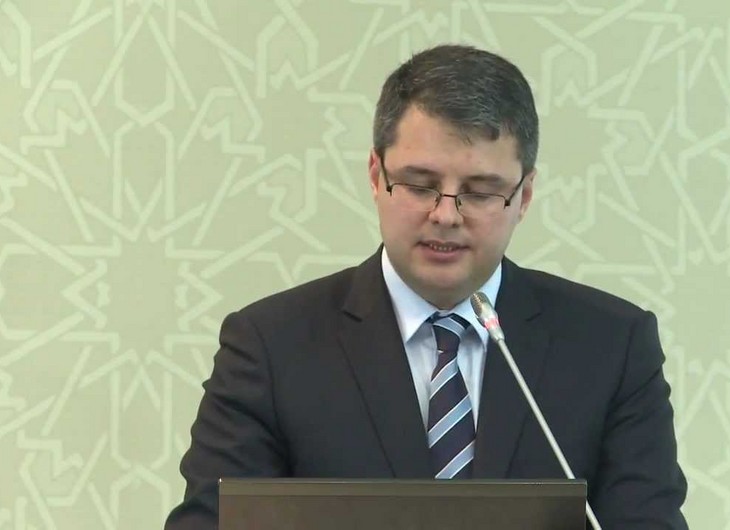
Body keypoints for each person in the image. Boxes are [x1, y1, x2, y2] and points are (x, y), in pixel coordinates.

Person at [164, 44, 688, 529]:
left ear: (524, 196)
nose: (445, 215)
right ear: (376, 176)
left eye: (480, 192)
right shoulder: (271, 346)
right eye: (420, 185)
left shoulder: (611, 346)